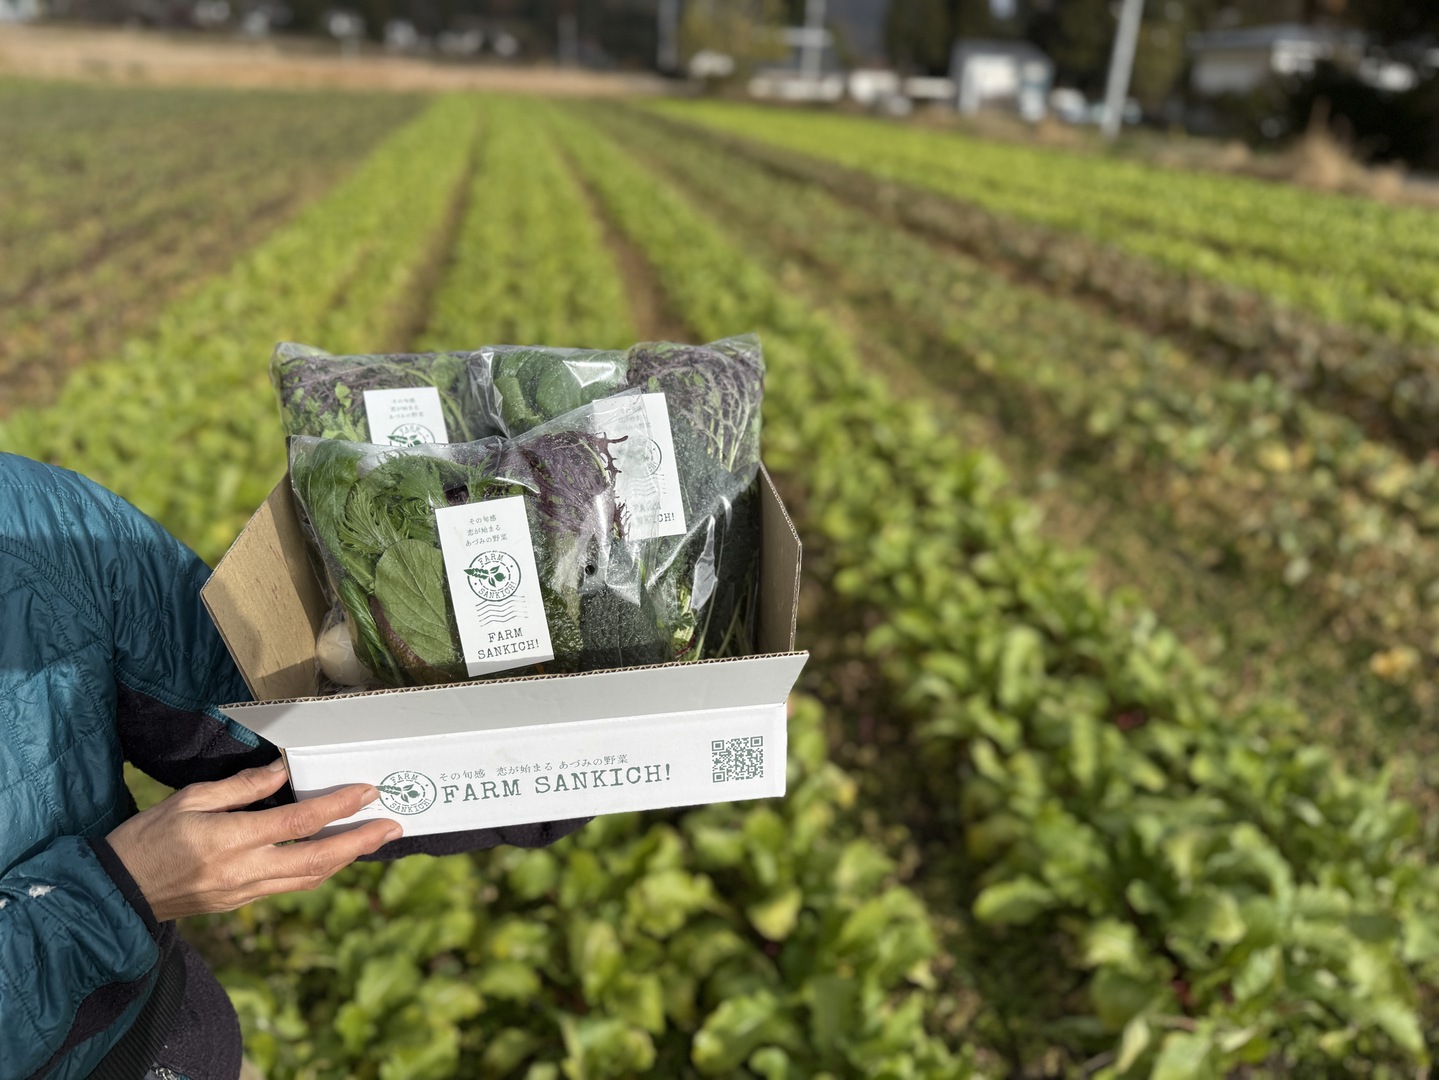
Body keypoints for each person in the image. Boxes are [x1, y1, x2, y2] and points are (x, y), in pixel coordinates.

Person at [0, 453, 585, 1080]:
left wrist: (559, 767)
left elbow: (247, 726)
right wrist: (112, 898)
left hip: (171, 1030)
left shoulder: (34, 521)